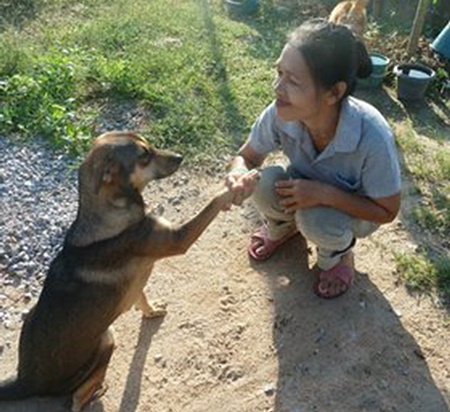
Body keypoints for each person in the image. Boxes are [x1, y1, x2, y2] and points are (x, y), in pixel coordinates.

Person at [225, 19, 401, 299]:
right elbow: (247, 156)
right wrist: (238, 173)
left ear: (334, 92)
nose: (277, 87)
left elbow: (387, 211)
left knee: (315, 218)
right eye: (279, 72)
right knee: (261, 183)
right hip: (303, 190)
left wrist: (324, 195)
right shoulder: (280, 111)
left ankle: (338, 254)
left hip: (354, 212)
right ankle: (283, 227)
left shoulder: (372, 135)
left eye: (292, 80)